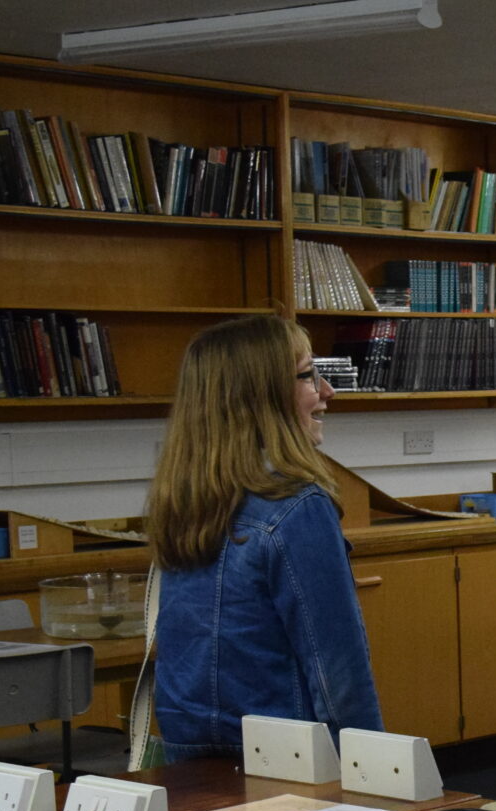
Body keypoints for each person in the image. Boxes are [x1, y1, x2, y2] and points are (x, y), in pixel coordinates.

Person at [146, 314, 382, 759]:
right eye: (308, 375)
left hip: (188, 765)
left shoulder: (183, 502)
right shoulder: (298, 506)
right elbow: (338, 672)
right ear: (262, 395)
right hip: (286, 766)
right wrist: (376, 774)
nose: (327, 391)